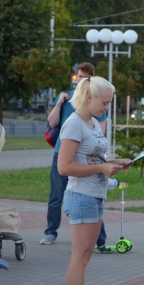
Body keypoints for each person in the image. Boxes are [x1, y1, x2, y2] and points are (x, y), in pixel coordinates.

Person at [58, 76, 131, 285]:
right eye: (105, 103)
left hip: (94, 195)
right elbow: (64, 167)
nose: (107, 107)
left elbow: (95, 157)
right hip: (81, 195)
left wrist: (115, 162)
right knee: (79, 258)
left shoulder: (93, 123)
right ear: (89, 97)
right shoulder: (73, 124)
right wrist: (102, 168)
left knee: (86, 255)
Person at [40, 62, 96, 245]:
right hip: (61, 154)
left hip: (83, 157)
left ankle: (94, 238)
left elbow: (99, 127)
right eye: (78, 76)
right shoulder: (66, 98)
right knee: (56, 195)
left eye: (83, 77)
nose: (79, 80)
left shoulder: (93, 99)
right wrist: (58, 103)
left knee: (89, 194)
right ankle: (51, 231)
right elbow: (52, 122)